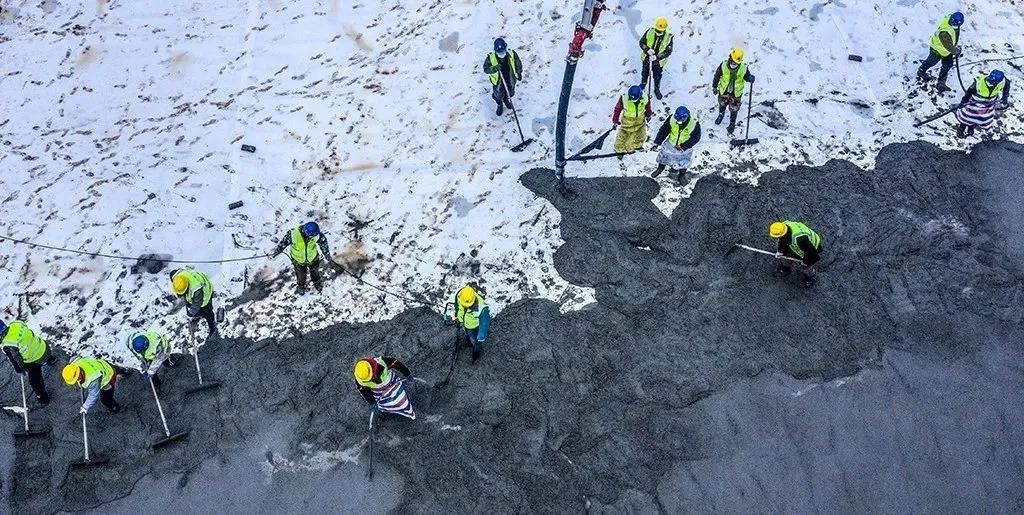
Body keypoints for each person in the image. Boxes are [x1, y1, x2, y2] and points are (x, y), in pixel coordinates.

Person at [1, 320, 56, 405]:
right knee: (33, 346)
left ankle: (43, 397)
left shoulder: (8, 344)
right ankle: (51, 359)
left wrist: (20, 369)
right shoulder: (16, 323)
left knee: (34, 380)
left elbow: (16, 360)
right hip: (44, 347)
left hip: (37, 359)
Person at [272, 221, 333, 294]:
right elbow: (283, 243)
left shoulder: (316, 234)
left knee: (315, 272)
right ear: (307, 233)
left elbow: (323, 243)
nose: (314, 237)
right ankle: (301, 286)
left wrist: (326, 253)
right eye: (312, 236)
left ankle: (317, 282)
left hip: (313, 258)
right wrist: (277, 252)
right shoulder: (293, 234)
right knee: (301, 276)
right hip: (298, 261)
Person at [651, 106, 701, 184]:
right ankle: (660, 169)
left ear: (686, 117)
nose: (678, 121)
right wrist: (657, 142)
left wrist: (683, 146)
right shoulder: (672, 119)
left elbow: (696, 138)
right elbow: (664, 130)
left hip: (684, 146)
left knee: (684, 161)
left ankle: (681, 175)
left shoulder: (694, 124)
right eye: (677, 119)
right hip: (671, 143)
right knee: (664, 156)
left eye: (681, 120)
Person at [916, 11, 964, 93]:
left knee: (948, 64)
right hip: (937, 49)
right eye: (954, 24)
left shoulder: (950, 19)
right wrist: (956, 51)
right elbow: (948, 46)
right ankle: (921, 71)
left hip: (946, 51)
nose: (955, 26)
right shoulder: (944, 32)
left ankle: (941, 82)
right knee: (931, 62)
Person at [955, 70, 1011, 138]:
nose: (989, 83)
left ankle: (971, 126)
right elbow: (969, 92)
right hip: (975, 102)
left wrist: (1005, 97)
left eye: (992, 82)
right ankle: (962, 127)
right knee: (968, 115)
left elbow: (1006, 85)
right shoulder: (978, 83)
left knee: (981, 117)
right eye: (989, 80)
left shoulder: (1003, 82)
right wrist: (963, 102)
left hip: (989, 104)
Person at [712, 48, 756, 135]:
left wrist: (750, 78)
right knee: (722, 104)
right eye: (732, 61)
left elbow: (746, 77)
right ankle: (721, 114)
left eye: (736, 63)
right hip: (724, 90)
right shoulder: (723, 65)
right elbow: (717, 76)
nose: (733, 64)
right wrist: (714, 86)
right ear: (730, 57)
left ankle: (732, 123)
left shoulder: (743, 68)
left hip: (736, 93)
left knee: (734, 108)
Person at [769, 221, 823, 288]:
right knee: (785, 256)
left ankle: (810, 276)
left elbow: (811, 253)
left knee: (806, 267)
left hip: (811, 249)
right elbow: (782, 241)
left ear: (782, 235)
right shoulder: (783, 227)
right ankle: (785, 268)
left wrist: (805, 262)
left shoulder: (801, 239)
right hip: (801, 246)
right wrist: (781, 251)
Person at [169, 266, 219, 339]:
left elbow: (197, 304)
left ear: (186, 288)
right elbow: (172, 274)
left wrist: (191, 313)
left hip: (205, 292)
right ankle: (196, 314)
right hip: (197, 287)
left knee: (207, 311)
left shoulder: (196, 291)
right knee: (190, 305)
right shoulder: (178, 277)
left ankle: (212, 326)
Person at [482, 38, 523, 116]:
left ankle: (506, 100)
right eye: (499, 52)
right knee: (498, 95)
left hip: (510, 78)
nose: (502, 54)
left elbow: (518, 63)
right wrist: (494, 68)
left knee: (510, 92)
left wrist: (519, 72)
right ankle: (499, 104)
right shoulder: (491, 57)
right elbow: (486, 69)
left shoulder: (512, 53)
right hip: (498, 81)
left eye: (503, 52)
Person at [612, 85, 653, 156]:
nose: (633, 100)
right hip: (627, 121)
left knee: (641, 135)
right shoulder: (624, 98)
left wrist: (648, 114)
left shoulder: (645, 97)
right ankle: (619, 151)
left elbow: (647, 106)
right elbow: (617, 109)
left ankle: (637, 146)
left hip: (640, 120)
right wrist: (615, 120)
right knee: (623, 137)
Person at [639, 17, 673, 100]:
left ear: (664, 30)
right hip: (647, 59)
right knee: (644, 73)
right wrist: (647, 49)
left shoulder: (668, 38)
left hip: (658, 63)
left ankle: (657, 88)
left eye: (660, 31)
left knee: (657, 76)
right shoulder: (649, 32)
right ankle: (643, 83)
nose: (658, 32)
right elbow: (641, 42)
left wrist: (657, 57)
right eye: (657, 30)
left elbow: (668, 52)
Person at [454, 285, 490, 362]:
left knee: (475, 341)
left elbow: (484, 324)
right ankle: (469, 342)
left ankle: (476, 353)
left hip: (474, 326)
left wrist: (480, 338)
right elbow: (457, 305)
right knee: (469, 336)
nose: (465, 306)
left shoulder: (482, 309)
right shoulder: (460, 295)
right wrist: (457, 314)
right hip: (465, 324)